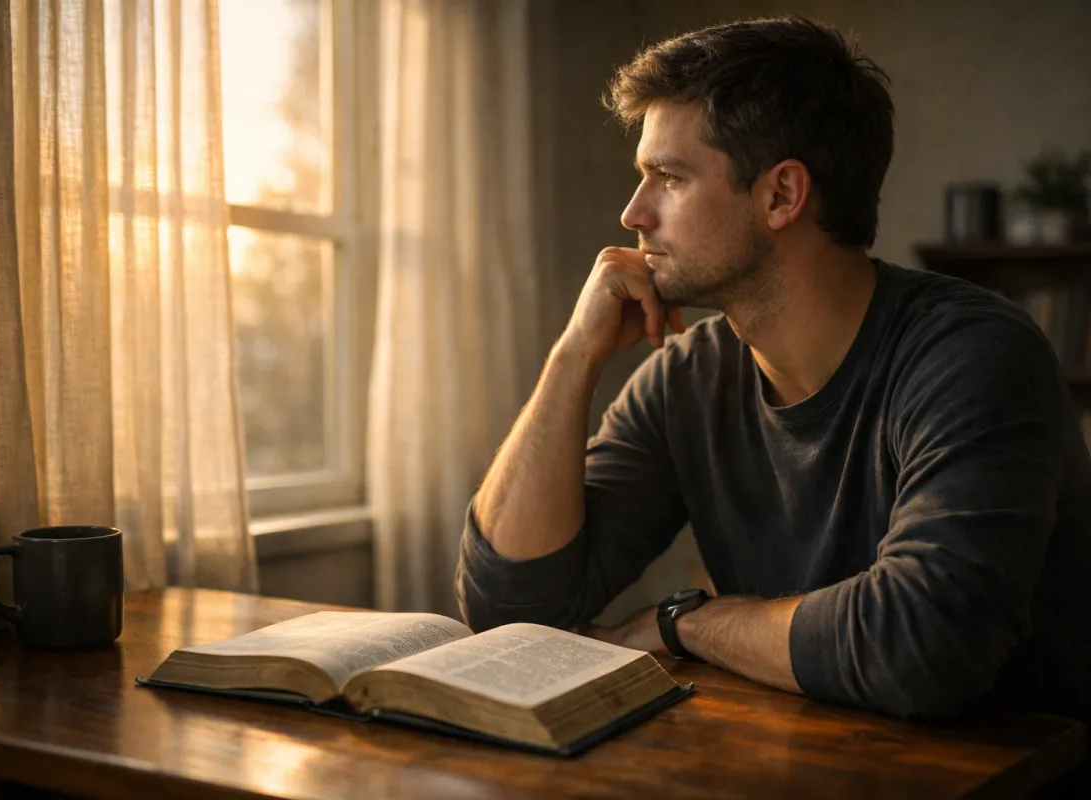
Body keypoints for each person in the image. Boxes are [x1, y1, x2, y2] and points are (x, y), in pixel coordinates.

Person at [454, 16, 1091, 727]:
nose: (634, 214)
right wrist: (573, 356)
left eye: (669, 178)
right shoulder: (685, 379)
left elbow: (923, 647)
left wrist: (686, 623)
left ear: (782, 196)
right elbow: (510, 611)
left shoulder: (973, 356)